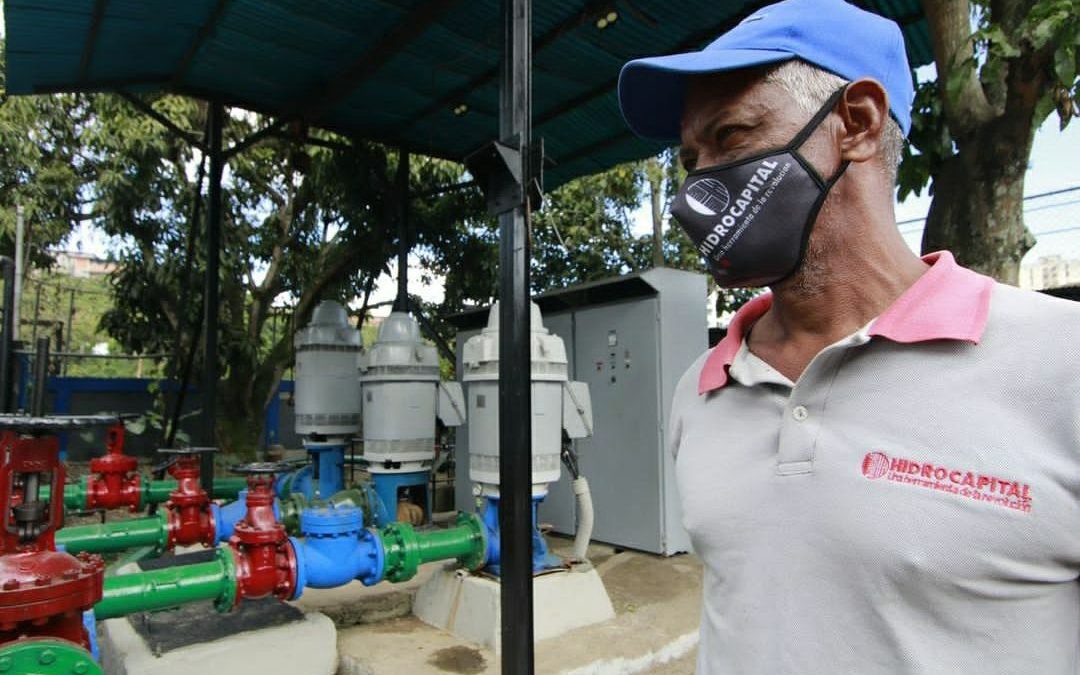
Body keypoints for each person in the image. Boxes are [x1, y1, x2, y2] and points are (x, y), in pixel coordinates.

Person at [617, 1, 1080, 673]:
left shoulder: (1060, 364)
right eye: (691, 157)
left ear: (856, 123)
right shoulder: (702, 389)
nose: (699, 187)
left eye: (732, 136)